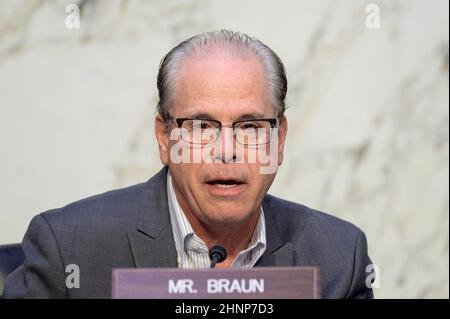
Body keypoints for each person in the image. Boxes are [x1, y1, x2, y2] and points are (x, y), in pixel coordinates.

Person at [4, 30, 374, 299]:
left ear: (279, 139)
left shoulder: (339, 255)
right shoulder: (69, 247)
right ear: (164, 138)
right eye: (201, 126)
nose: (226, 150)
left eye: (250, 127)